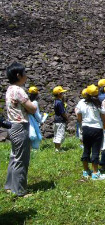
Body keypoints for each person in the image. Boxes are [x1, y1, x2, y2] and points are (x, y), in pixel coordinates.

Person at [4, 62, 37, 197]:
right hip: (20, 126)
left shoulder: (10, 89)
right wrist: (33, 106)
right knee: (21, 159)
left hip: (12, 125)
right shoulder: (19, 90)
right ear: (18, 75)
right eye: (24, 73)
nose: (26, 75)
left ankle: (9, 186)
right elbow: (32, 108)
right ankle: (20, 191)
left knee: (14, 157)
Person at [76, 84, 105, 180]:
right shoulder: (98, 104)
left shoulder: (81, 102)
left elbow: (78, 116)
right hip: (96, 128)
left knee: (86, 149)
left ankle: (86, 171)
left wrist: (82, 124)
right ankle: (95, 173)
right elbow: (103, 117)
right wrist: (104, 127)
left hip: (86, 128)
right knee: (95, 150)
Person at [53, 86, 68, 152]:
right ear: (59, 94)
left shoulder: (55, 101)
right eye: (62, 93)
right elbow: (63, 112)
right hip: (60, 120)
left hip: (56, 120)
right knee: (60, 134)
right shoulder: (59, 102)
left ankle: (57, 148)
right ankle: (58, 149)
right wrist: (66, 118)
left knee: (56, 134)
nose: (63, 94)